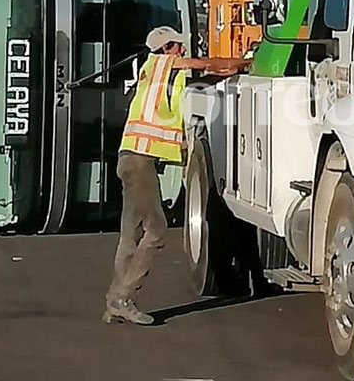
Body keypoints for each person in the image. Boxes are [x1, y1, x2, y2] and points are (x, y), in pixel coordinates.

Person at [103, 26, 251, 325]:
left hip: (130, 158)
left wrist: (225, 74)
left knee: (130, 235)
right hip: (140, 161)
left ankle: (113, 303)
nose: (184, 50)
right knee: (156, 231)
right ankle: (124, 297)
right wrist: (245, 62)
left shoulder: (159, 74)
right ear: (167, 47)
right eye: (179, 46)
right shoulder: (160, 63)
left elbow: (203, 76)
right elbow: (208, 64)